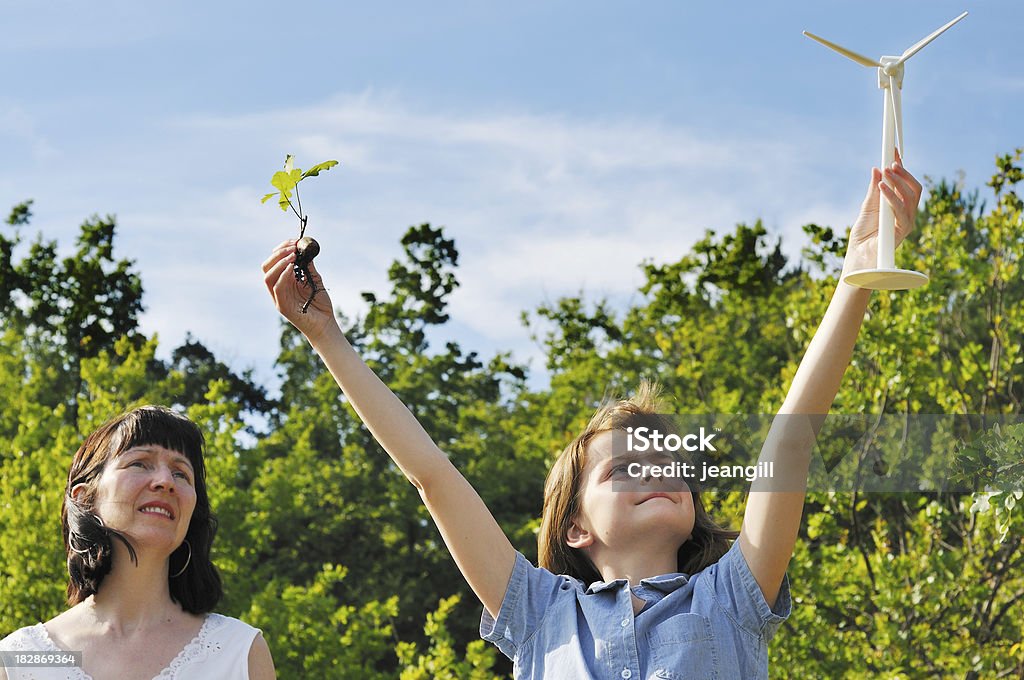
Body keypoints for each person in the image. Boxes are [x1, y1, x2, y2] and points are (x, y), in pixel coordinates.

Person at [261, 158, 922, 678]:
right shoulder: (538, 612)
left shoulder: (730, 598)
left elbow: (793, 437)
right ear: (575, 526)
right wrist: (328, 339)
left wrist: (855, 281)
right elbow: (431, 476)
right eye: (626, 468)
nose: (657, 470)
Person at [0, 406, 276, 680]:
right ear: (85, 499)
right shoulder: (17, 659)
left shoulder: (240, 651)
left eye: (181, 473)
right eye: (140, 463)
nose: (166, 481)